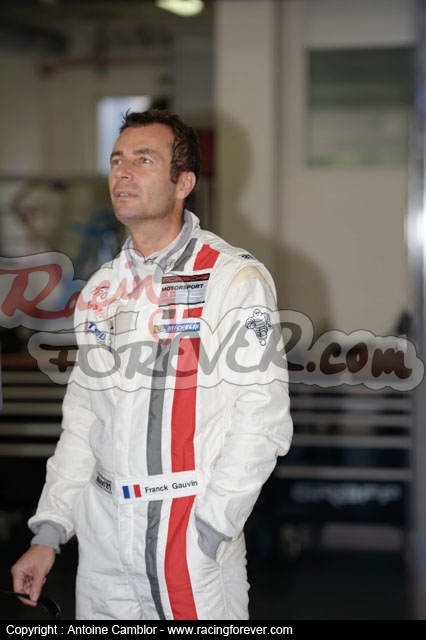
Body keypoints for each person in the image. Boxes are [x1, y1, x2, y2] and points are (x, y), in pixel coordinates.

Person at [11, 108, 293, 620]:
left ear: (183, 182)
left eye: (144, 160)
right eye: (117, 159)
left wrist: (212, 527)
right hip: (103, 538)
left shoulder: (232, 278)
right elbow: (84, 419)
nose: (123, 172)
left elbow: (263, 417)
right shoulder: (101, 289)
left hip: (188, 532)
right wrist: (49, 532)